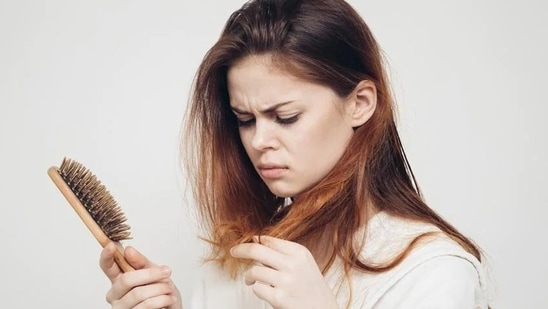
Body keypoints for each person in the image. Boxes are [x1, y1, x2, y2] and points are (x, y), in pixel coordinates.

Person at [100, 0, 490, 308]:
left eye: (285, 117)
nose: (258, 141)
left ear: (360, 103)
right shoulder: (242, 258)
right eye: (245, 119)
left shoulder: (431, 270)